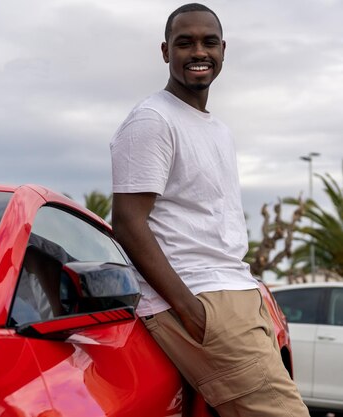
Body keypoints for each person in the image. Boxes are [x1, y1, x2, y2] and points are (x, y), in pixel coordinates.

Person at [109, 4, 310, 416]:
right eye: (185, 43)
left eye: (208, 42)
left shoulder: (216, 129)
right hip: (201, 299)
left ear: (223, 50)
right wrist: (191, 311)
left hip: (236, 294)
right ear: (166, 52)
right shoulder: (152, 120)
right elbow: (128, 224)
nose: (198, 51)